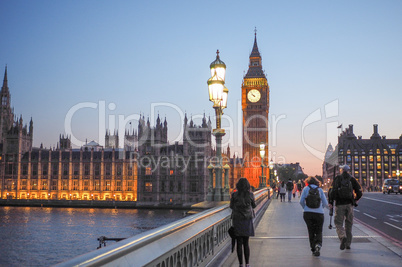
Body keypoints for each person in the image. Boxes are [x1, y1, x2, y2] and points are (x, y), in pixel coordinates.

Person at [329, 165, 362, 250]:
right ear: (348, 170)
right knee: (349, 224)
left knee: (338, 223)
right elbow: (359, 191)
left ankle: (342, 236)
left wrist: (330, 202)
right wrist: (355, 200)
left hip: (339, 204)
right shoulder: (352, 179)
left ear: (341, 170)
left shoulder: (337, 178)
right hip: (349, 204)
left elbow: (331, 192)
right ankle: (348, 244)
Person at [230, 178, 256, 267]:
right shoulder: (251, 195)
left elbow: (231, 206)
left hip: (237, 221)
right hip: (247, 220)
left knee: (239, 243)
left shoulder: (234, 195)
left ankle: (240, 264)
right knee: (246, 243)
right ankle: (247, 264)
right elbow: (254, 205)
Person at [300, 176, 329, 256]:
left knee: (311, 230)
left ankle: (313, 248)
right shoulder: (320, 190)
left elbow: (301, 201)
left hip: (307, 213)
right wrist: (321, 208)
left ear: (308, 182)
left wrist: (305, 208)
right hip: (319, 214)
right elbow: (325, 203)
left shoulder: (305, 189)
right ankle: (318, 245)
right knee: (319, 230)